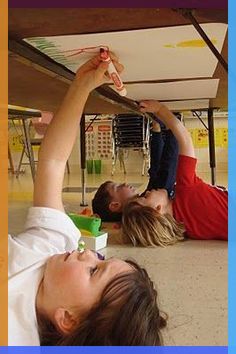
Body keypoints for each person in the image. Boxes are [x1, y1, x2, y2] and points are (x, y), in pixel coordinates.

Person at [8, 55, 166, 346]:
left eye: (95, 270)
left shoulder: (15, 337)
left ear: (68, 319)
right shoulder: (57, 246)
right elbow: (53, 163)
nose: (89, 253)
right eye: (101, 259)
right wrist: (82, 85)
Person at [122, 100, 228, 247]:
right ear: (157, 209)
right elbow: (184, 138)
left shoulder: (187, 229)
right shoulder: (186, 190)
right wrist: (160, 109)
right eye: (145, 197)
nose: (148, 191)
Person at [92, 119, 179, 222]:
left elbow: (157, 170)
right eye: (119, 187)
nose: (124, 183)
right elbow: (168, 169)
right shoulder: (146, 210)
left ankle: (157, 128)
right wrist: (172, 129)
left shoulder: (140, 205)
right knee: (163, 178)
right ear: (115, 205)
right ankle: (164, 129)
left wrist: (157, 131)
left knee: (157, 174)